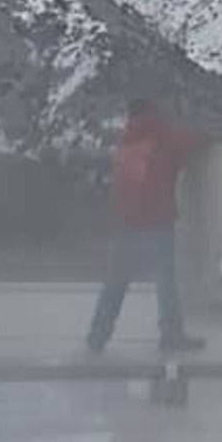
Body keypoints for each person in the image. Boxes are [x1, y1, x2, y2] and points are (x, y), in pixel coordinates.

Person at [87, 99, 206, 354]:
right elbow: (194, 142)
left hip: (125, 225)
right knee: (166, 284)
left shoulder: (127, 141)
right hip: (156, 223)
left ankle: (97, 336)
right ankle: (171, 336)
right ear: (155, 111)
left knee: (115, 284)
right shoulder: (163, 135)